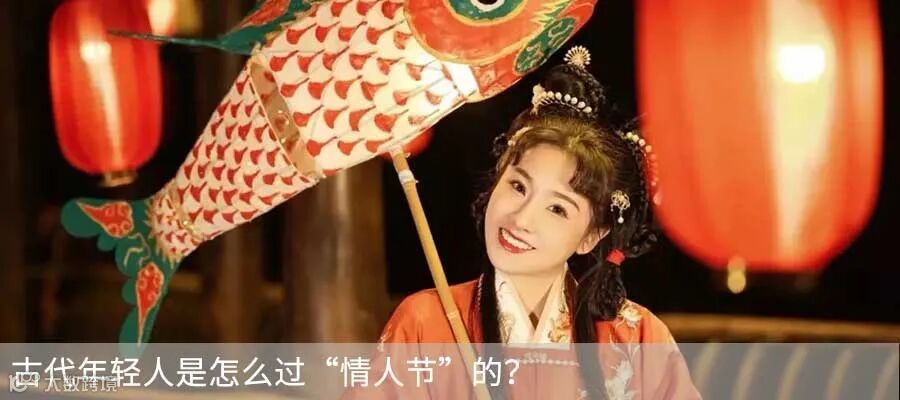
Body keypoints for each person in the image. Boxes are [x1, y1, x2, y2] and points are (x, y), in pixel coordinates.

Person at [350, 47, 700, 400]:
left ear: (592, 236)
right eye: (518, 186)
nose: (521, 219)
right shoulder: (426, 322)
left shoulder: (638, 340)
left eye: (557, 209)